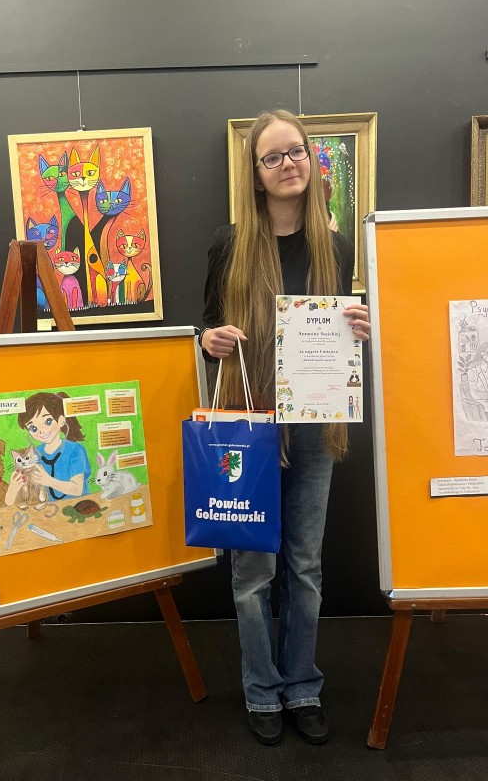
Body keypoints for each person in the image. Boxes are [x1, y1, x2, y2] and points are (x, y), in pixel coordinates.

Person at [199, 110, 370, 746]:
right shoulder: (229, 245)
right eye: (271, 157)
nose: (286, 164)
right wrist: (210, 339)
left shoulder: (336, 247)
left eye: (295, 151)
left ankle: (302, 684)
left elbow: (339, 324)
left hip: (315, 422)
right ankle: (260, 687)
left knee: (304, 566)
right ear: (255, 173)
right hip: (250, 425)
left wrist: (359, 327)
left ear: (310, 158)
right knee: (252, 574)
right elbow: (206, 325)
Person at [9, 391, 91, 502]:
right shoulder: (33, 455)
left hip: (78, 505)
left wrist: (48, 481)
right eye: (33, 428)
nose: (41, 431)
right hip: (49, 509)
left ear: (61, 420)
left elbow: (77, 489)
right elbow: (10, 502)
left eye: (48, 421)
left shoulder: (75, 450)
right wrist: (13, 489)